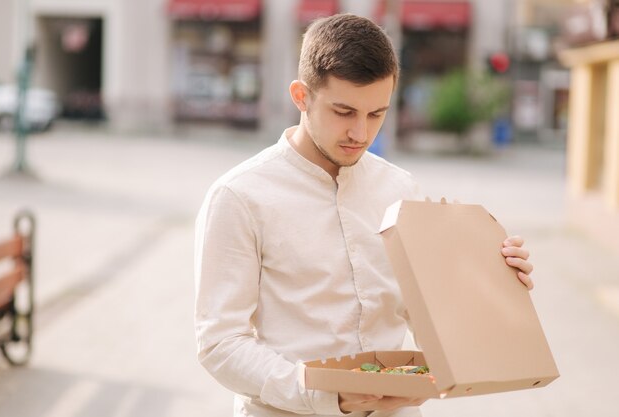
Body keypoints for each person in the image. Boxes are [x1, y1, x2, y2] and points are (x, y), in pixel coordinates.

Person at [194, 14, 534, 417]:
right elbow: (220, 342)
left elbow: (429, 314)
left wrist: (495, 284)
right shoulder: (239, 196)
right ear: (301, 96)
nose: (361, 133)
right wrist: (324, 396)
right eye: (344, 111)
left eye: (377, 114)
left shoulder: (401, 189)